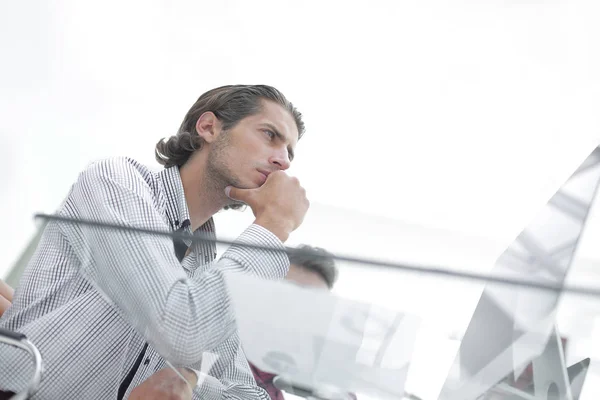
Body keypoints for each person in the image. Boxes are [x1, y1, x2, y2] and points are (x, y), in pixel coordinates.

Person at [0, 84, 309, 400]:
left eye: (290, 152)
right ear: (209, 127)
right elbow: (181, 328)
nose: (283, 161)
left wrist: (192, 381)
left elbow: (247, 392)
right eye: (270, 135)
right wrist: (274, 225)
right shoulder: (117, 182)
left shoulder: (205, 266)